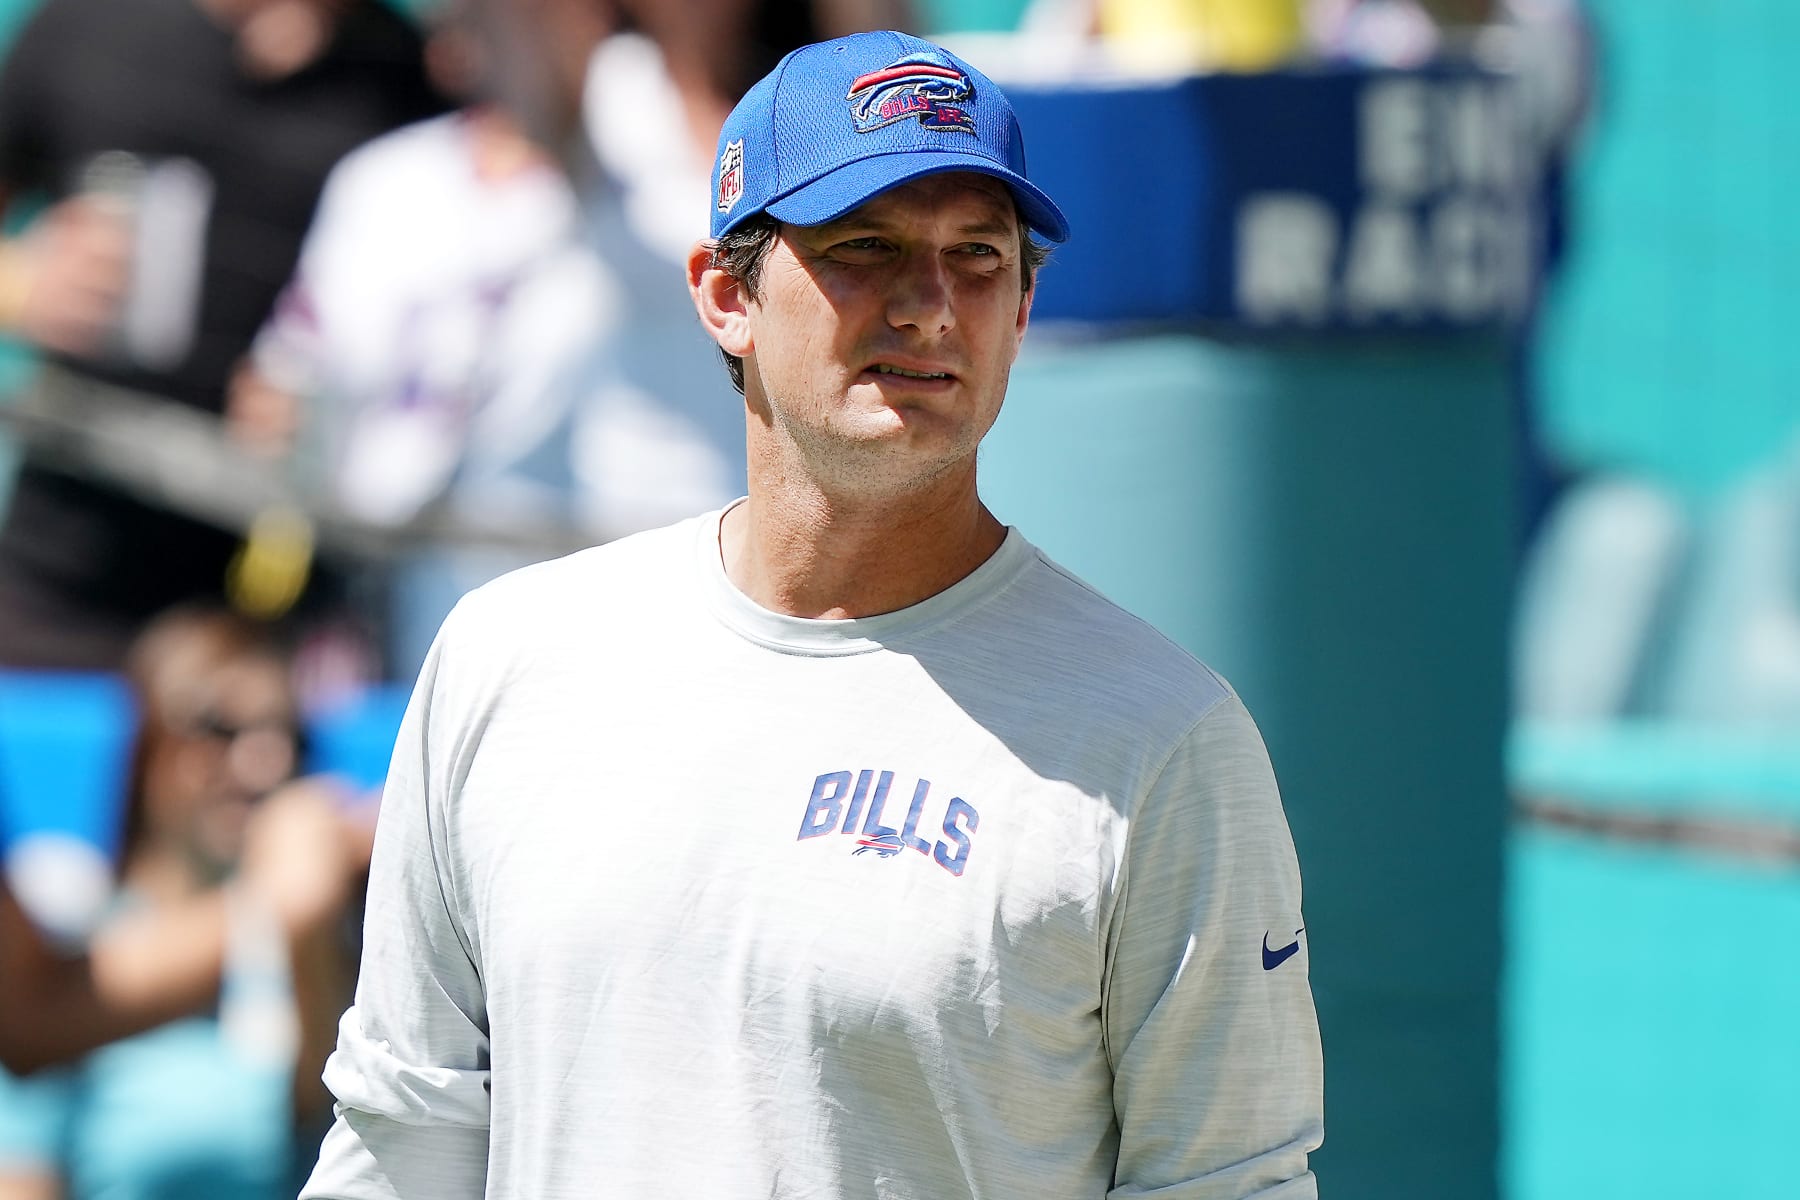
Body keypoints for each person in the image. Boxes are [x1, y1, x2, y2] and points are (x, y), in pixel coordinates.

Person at [302, 29, 1322, 1199]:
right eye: (866, 247)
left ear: (1026, 309)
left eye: (980, 257)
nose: (932, 305)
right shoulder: (511, 657)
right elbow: (402, 1135)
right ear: (727, 295)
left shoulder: (1163, 741)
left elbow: (1230, 1181)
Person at [0, 0, 444, 670]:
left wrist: (342, 393)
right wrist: (22, 283)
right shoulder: (88, 25)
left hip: (294, 598)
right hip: (65, 564)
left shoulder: (415, 74)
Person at [0, 606, 372, 1200]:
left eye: (289, 737)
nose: (264, 762)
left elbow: (343, 1134)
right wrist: (276, 902)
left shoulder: (329, 949)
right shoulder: (66, 947)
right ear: (150, 744)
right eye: (219, 728)